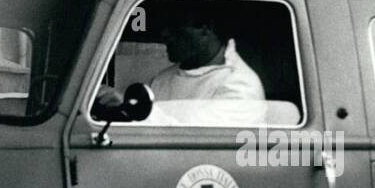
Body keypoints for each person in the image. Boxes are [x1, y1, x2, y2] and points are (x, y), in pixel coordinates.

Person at [97, 17, 267, 125]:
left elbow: (192, 142)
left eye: (174, 25)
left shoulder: (240, 85)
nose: (164, 34)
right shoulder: (164, 78)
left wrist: (131, 108)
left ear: (205, 29)